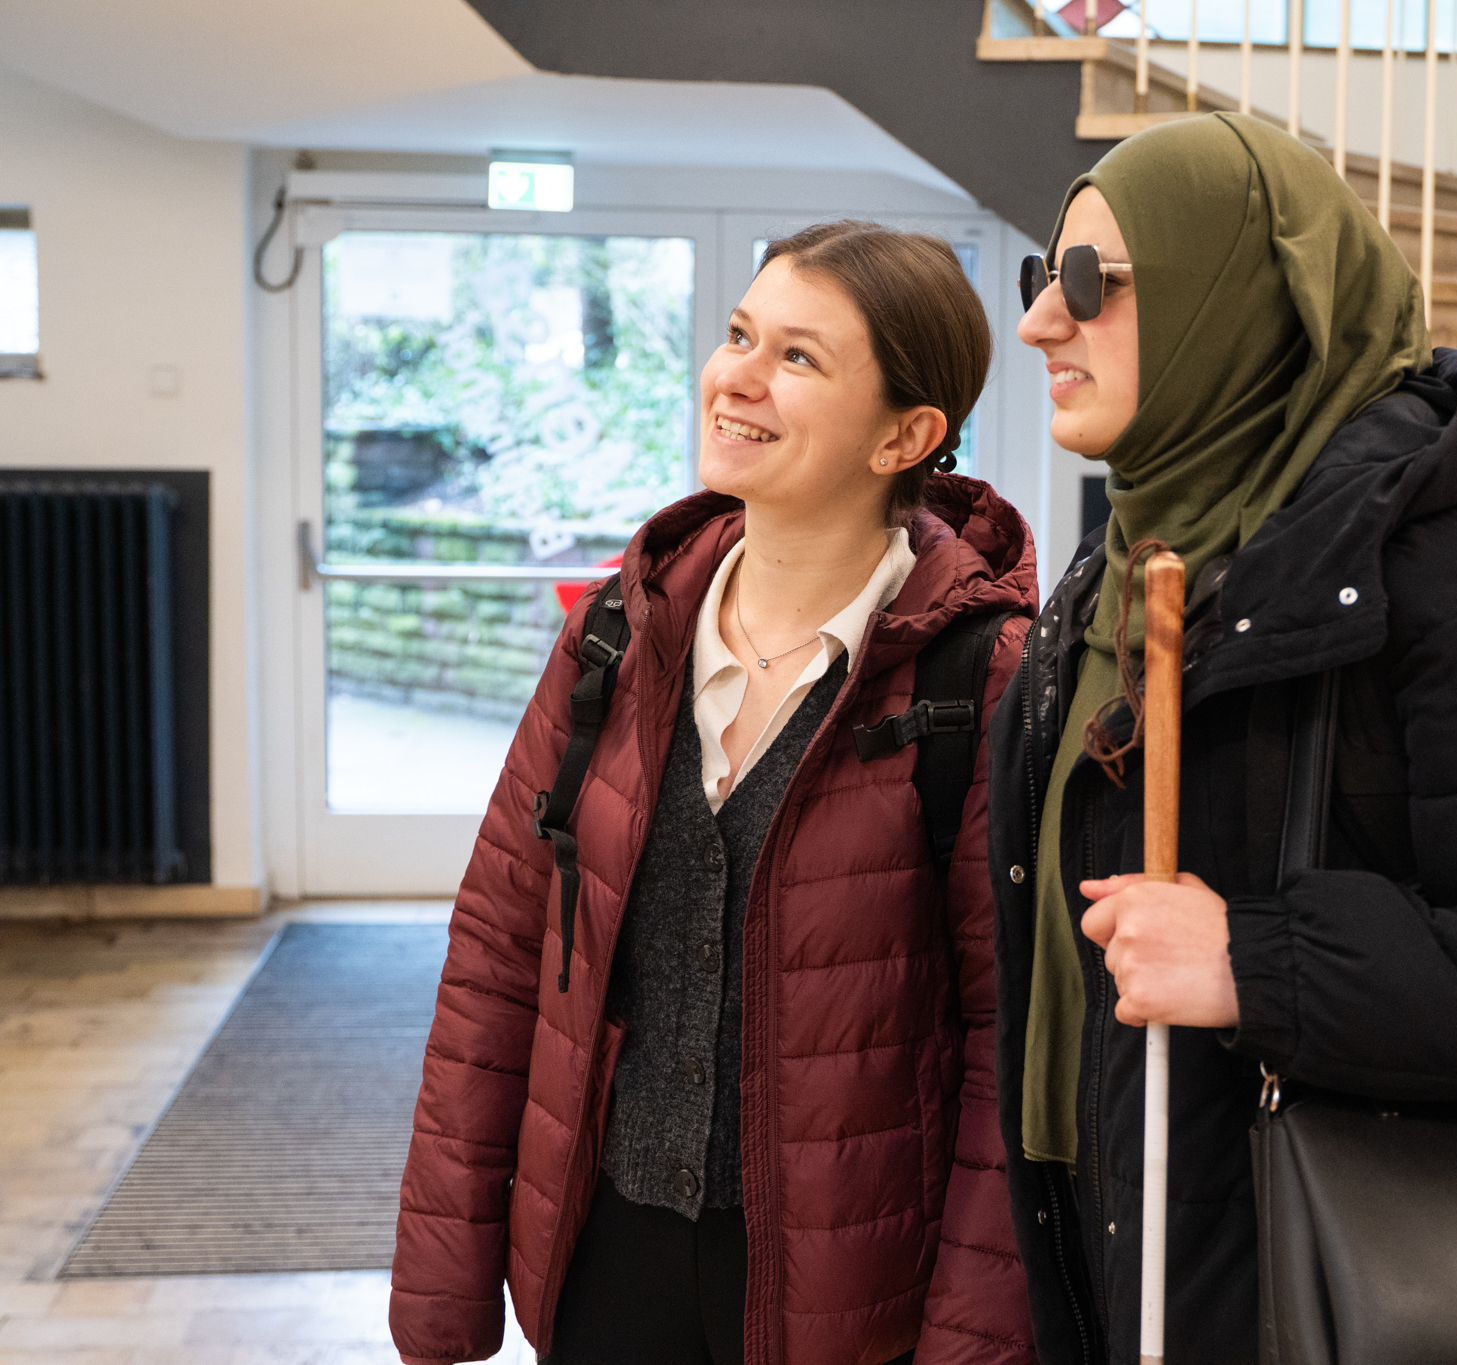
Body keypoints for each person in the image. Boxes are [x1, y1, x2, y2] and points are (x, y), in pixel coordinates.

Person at [985, 113, 1457, 1363]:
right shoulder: (1118, 576)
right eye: (1039, 277)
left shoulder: (1439, 570)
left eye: (1093, 281)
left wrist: (1257, 961)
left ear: (1240, 299)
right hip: (1130, 1264)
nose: (1042, 321)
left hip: (1326, 1289)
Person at [387, 221, 1039, 1365]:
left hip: (848, 1298)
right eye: (740, 335)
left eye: (797, 357)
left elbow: (1007, 1050)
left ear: (905, 435)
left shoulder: (978, 680)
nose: (735, 376)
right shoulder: (613, 634)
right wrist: (443, 1286)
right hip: (602, 1259)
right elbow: (500, 950)